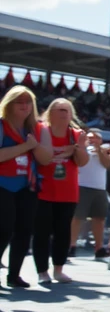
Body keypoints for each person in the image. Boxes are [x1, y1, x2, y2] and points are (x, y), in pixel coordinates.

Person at [0, 86, 54, 288]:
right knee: (4, 228)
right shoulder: (2, 125)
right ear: (9, 104)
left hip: (27, 186)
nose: (24, 106)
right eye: (19, 102)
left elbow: (46, 159)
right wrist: (25, 147)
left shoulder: (39, 129)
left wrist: (35, 145)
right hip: (3, 184)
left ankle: (13, 275)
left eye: (28, 101)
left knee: (24, 230)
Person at [33, 98, 88, 284]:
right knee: (42, 232)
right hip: (43, 190)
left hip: (68, 193)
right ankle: (42, 272)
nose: (64, 113)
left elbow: (82, 161)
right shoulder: (41, 131)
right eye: (59, 109)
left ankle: (58, 269)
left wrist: (78, 146)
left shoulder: (75, 134)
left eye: (67, 110)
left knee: (63, 232)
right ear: (50, 112)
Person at [71, 130, 110, 260]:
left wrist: (99, 150)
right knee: (77, 217)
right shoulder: (81, 149)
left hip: (99, 188)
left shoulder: (105, 151)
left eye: (96, 138)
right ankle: (71, 245)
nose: (93, 140)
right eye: (90, 137)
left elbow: (108, 165)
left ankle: (99, 248)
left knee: (99, 219)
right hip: (82, 186)